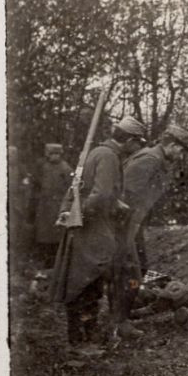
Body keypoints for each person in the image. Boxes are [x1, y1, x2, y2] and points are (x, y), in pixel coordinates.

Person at [54, 115, 146, 352]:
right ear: (130, 140)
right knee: (89, 284)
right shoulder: (108, 156)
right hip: (94, 230)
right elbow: (102, 194)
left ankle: (81, 338)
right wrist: (79, 213)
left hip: (86, 226)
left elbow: (93, 191)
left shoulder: (97, 152)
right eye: (138, 143)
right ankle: (82, 342)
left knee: (84, 283)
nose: (137, 149)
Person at [116, 124, 188, 320]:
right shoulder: (150, 160)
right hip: (125, 223)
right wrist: (127, 231)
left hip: (134, 222)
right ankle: (120, 318)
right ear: (173, 146)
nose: (181, 156)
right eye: (181, 151)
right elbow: (125, 194)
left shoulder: (156, 159)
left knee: (139, 267)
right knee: (130, 270)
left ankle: (130, 309)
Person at [32, 143, 74, 268]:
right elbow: (37, 183)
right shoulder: (43, 166)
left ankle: (56, 259)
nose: (54, 157)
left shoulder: (65, 168)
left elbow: (70, 186)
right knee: (44, 232)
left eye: (57, 154)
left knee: (56, 233)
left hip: (58, 204)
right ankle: (44, 258)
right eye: (52, 154)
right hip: (45, 204)